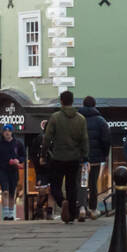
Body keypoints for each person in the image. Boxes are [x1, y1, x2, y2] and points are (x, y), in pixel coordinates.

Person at [43, 90, 89, 223]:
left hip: (57, 157)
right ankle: (72, 215)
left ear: (61, 101)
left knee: (55, 185)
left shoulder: (55, 117)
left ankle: (62, 201)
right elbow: (85, 139)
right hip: (74, 158)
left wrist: (44, 154)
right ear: (73, 101)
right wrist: (85, 156)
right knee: (71, 185)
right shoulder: (81, 119)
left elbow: (47, 138)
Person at [80, 95, 110, 217]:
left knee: (82, 183)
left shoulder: (78, 119)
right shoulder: (100, 121)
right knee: (93, 184)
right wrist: (105, 154)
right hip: (96, 158)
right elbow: (106, 139)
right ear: (94, 105)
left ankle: (82, 208)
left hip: (81, 158)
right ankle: (93, 209)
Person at [0, 124, 26, 220]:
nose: (7, 132)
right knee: (5, 191)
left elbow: (23, 156)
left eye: (9, 130)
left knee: (12, 192)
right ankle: (5, 214)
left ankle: (11, 213)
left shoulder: (18, 144)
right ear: (3, 132)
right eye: (5, 131)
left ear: (12, 132)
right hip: (2, 170)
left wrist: (18, 160)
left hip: (14, 171)